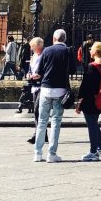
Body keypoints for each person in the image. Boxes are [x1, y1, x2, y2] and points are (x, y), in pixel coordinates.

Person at [33, 28, 72, 163]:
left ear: (54, 39)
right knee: (56, 122)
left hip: (45, 89)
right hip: (60, 90)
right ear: (64, 39)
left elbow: (39, 71)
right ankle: (52, 153)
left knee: (42, 121)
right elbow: (73, 69)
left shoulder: (46, 50)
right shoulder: (67, 51)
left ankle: (37, 153)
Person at [78, 41, 101, 161]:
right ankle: (100, 148)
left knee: (91, 126)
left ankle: (93, 151)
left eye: (91, 49)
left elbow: (84, 87)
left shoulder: (91, 67)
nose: (89, 50)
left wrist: (79, 102)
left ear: (95, 52)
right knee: (95, 124)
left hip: (90, 101)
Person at [25, 37, 44, 143]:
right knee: (38, 110)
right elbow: (30, 68)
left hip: (42, 85)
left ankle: (37, 134)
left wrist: (40, 75)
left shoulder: (45, 55)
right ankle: (43, 134)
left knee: (37, 110)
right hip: (34, 85)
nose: (31, 49)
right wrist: (28, 73)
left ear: (38, 46)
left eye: (32, 47)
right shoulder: (33, 56)